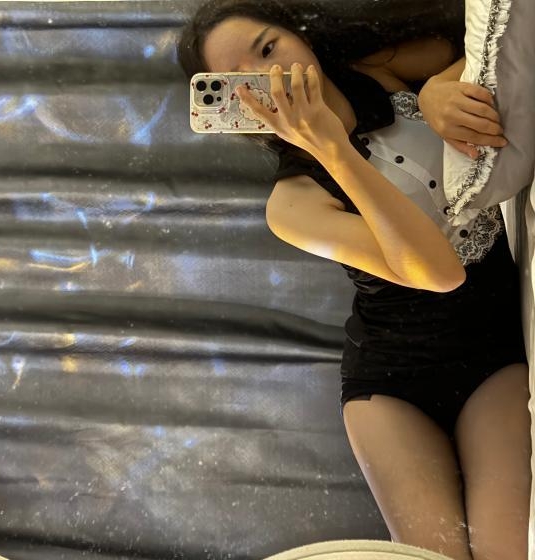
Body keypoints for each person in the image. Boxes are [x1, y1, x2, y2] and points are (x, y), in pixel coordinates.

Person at [177, 2, 530, 560]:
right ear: (235, 106)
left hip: (491, 350)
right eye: (244, 78)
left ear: (299, 36)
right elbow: (439, 272)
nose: (272, 76)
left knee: (506, 551)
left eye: (269, 48)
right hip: (390, 383)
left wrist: (436, 91)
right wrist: (331, 148)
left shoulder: (379, 69)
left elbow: (485, 45)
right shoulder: (291, 205)